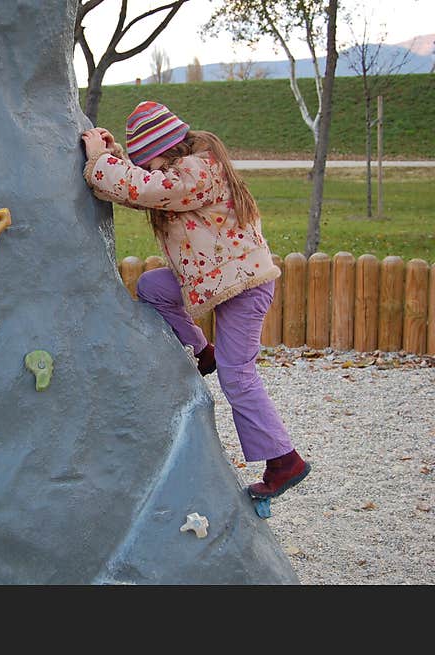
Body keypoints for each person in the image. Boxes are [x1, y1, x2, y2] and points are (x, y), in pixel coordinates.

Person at [80, 100, 310, 499]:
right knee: (153, 287)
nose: (151, 171)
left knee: (238, 376)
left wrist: (101, 161)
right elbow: (140, 191)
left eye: (150, 162)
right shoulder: (177, 175)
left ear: (168, 151)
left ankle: (284, 460)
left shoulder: (198, 171)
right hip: (214, 277)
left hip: (244, 286)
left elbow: (149, 188)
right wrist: (112, 158)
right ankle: (204, 351)